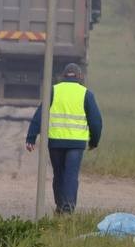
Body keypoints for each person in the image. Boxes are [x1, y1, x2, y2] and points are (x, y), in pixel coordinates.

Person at [25, 62, 103, 214]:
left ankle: (60, 205)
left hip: (56, 142)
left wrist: (31, 137)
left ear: (63, 76)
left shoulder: (53, 91)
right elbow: (96, 121)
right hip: (76, 144)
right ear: (80, 77)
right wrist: (94, 141)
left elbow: (39, 115)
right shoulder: (86, 94)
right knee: (71, 175)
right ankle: (68, 208)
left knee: (59, 174)